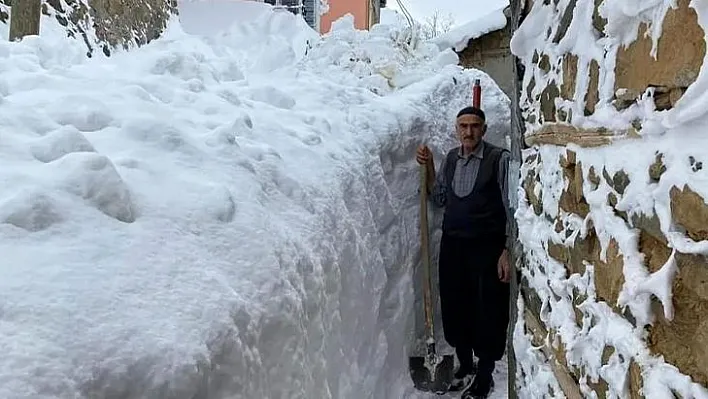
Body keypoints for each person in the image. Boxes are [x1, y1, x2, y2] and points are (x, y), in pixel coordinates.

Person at [415, 106, 512, 399]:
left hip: (486, 248)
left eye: (474, 126)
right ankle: (465, 365)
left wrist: (507, 249)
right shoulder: (452, 159)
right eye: (463, 126)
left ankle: (485, 375)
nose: (468, 131)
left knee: (487, 311)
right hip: (454, 246)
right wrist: (430, 167)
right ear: (457, 129)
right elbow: (441, 197)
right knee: (456, 306)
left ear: (484, 129)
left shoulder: (499, 160)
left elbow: (512, 205)